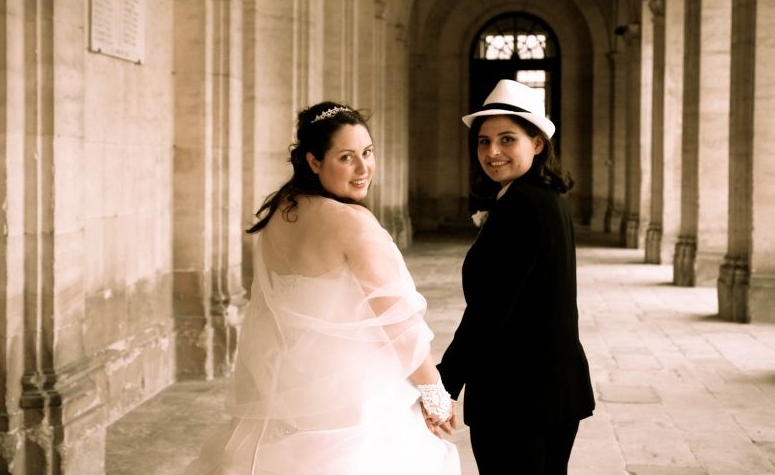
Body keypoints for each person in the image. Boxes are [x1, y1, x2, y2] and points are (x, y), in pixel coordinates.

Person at [186, 102, 461, 475]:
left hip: (291, 391)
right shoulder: (353, 224)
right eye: (346, 157)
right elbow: (399, 323)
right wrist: (435, 394)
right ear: (314, 161)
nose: (363, 168)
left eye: (368, 152)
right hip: (357, 395)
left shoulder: (280, 213)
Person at [434, 79, 595, 474]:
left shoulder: (523, 206)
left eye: (507, 139)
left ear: (537, 143)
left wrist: (442, 385)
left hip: (520, 396)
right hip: (548, 388)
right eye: (484, 141)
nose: (492, 152)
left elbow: (490, 310)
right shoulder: (542, 198)